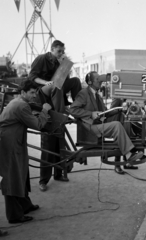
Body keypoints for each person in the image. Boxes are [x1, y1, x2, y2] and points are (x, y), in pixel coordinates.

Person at [28, 40, 82, 191]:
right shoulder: (41, 59)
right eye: (59, 51)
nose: (61, 53)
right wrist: (46, 82)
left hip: (56, 95)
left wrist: (64, 65)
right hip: (43, 93)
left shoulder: (59, 61)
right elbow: (32, 77)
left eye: (62, 51)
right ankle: (43, 180)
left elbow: (63, 81)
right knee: (47, 144)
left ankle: (59, 173)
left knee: (60, 141)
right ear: (52, 49)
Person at [69, 71, 144, 175]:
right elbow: (72, 110)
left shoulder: (97, 95)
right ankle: (128, 154)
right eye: (97, 80)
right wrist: (91, 114)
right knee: (116, 125)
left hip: (98, 123)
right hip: (90, 127)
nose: (100, 82)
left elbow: (105, 112)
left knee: (121, 117)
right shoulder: (83, 93)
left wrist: (121, 109)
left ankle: (129, 146)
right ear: (90, 82)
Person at [0, 80, 51, 224]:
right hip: (10, 145)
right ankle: (14, 215)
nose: (34, 96)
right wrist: (45, 110)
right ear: (23, 93)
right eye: (32, 93)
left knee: (21, 173)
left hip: (13, 142)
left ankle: (25, 205)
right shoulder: (22, 106)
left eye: (35, 92)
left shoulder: (17, 102)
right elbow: (38, 125)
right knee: (12, 178)